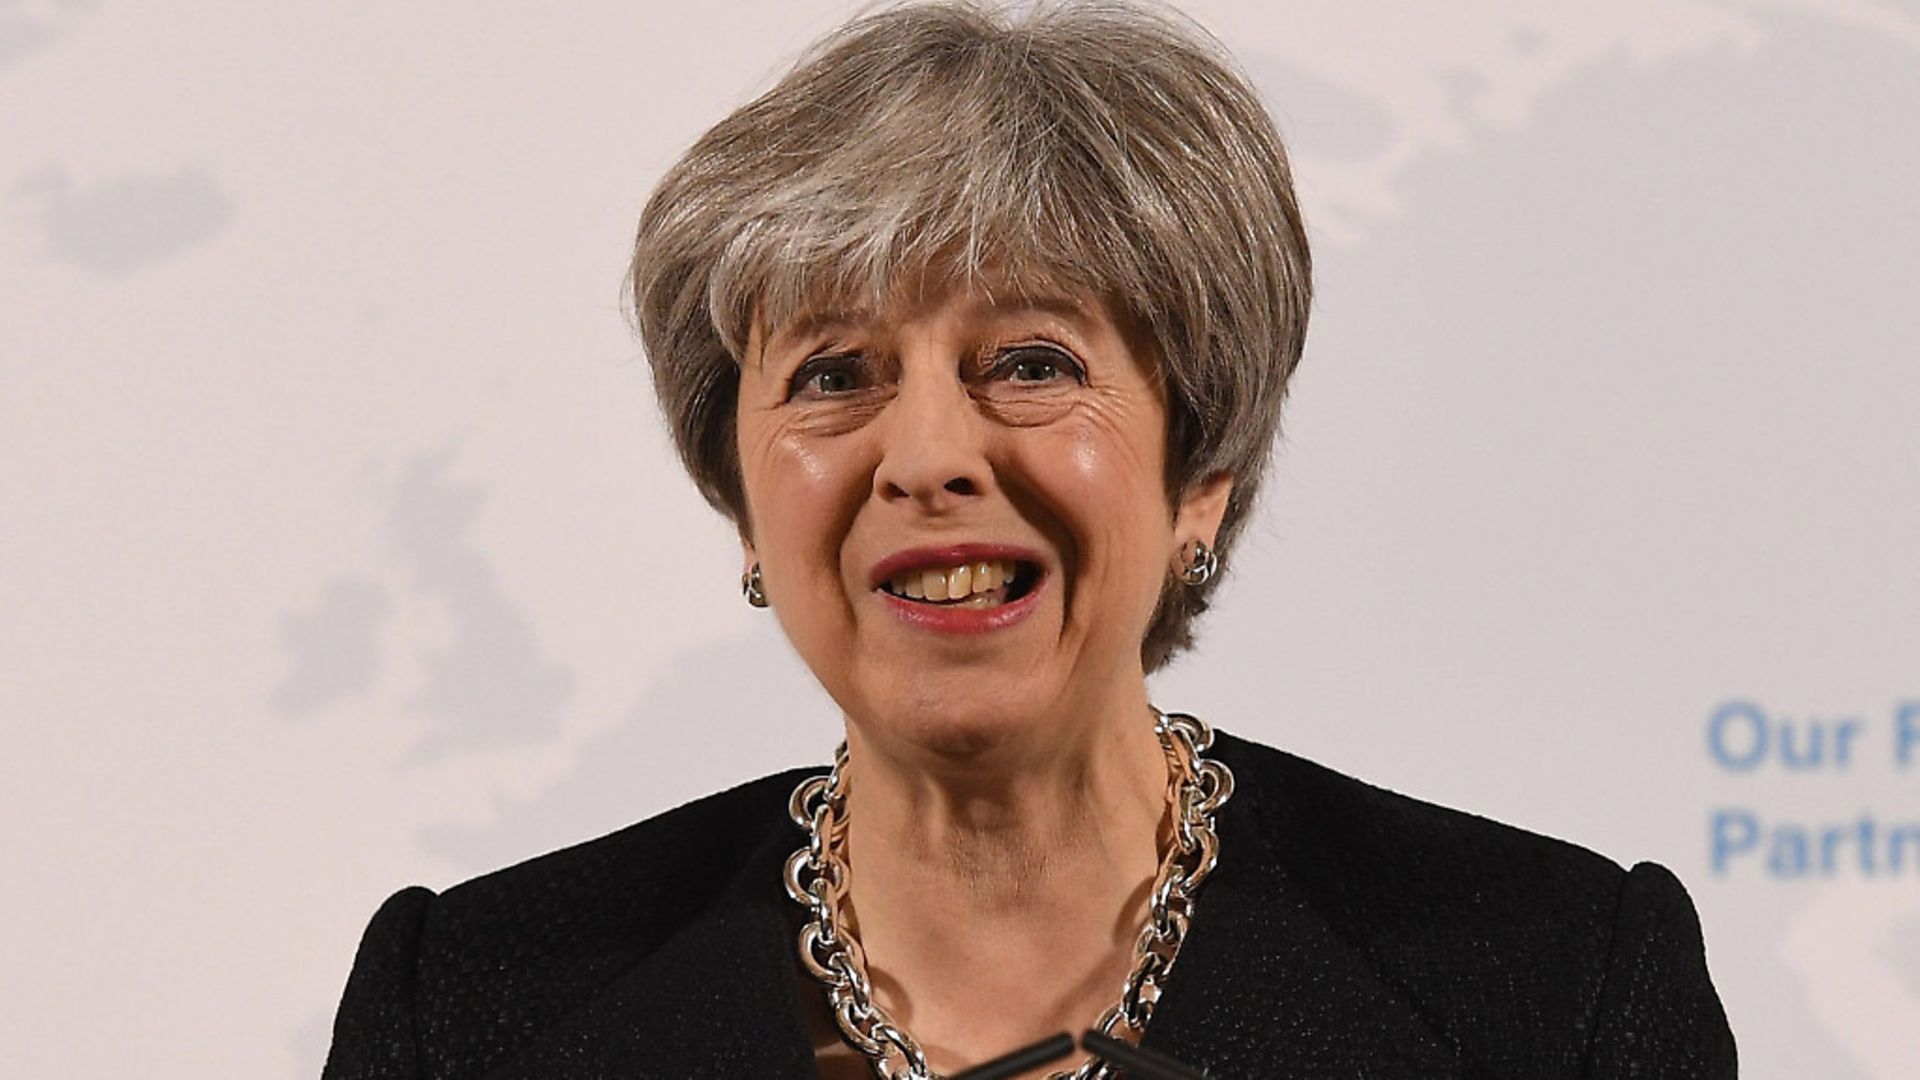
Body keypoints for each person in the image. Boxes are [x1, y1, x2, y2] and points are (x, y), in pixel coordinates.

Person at [323, 2, 1736, 1077]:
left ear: (1203, 474)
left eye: (1032, 361)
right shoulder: (468, 1014)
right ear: (743, 497)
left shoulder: (1558, 998)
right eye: (834, 374)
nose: (930, 456)